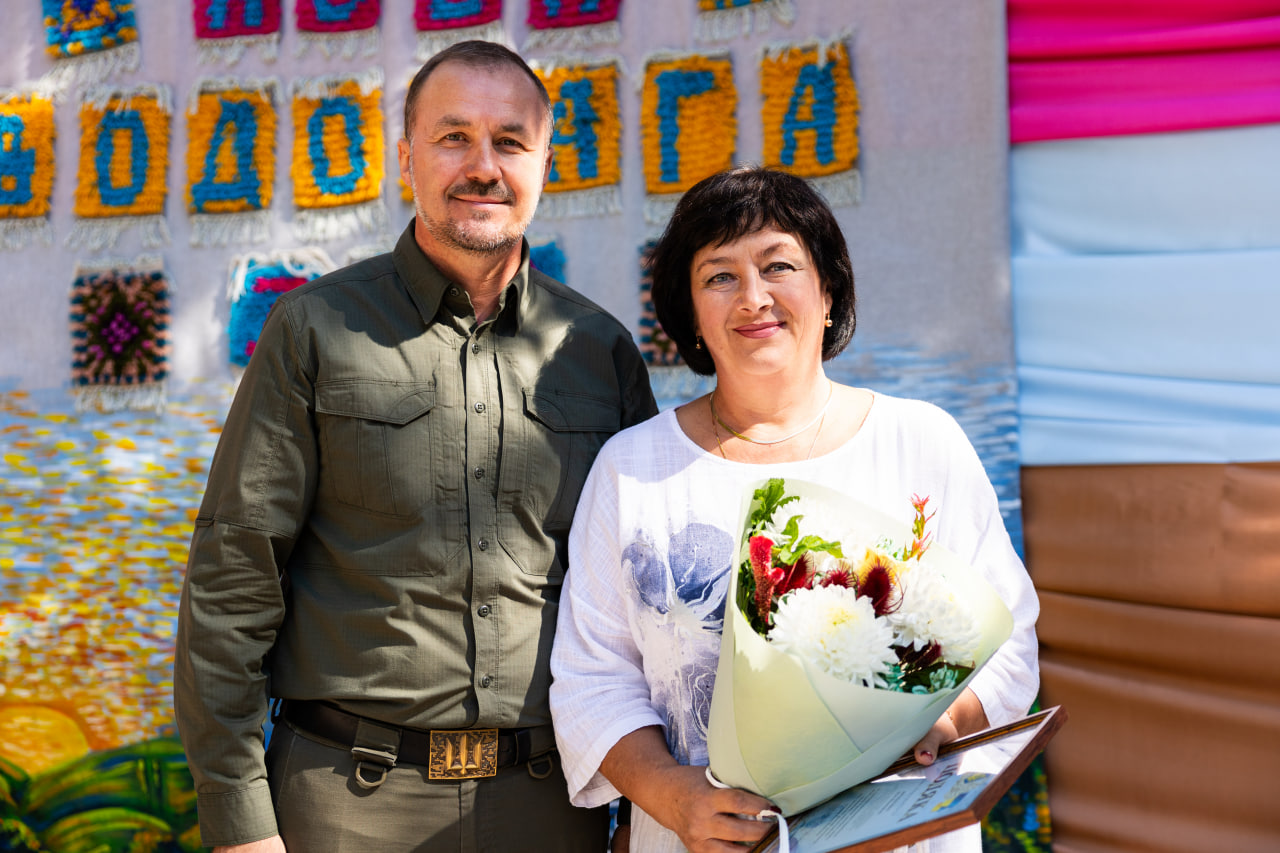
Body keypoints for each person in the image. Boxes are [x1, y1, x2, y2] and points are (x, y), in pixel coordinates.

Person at [174, 41, 656, 852]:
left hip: (549, 806)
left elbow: (644, 600)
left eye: (509, 141)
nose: (483, 166)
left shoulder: (598, 351)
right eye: (453, 137)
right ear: (405, 159)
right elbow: (235, 574)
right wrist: (239, 820)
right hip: (347, 802)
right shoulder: (314, 329)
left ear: (545, 164)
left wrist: (649, 805)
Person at [550, 166, 1040, 853]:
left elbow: (1005, 638)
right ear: (691, 314)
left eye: (778, 266)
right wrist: (675, 797)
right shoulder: (633, 469)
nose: (754, 297)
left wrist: (942, 719)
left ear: (828, 289)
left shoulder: (920, 444)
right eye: (719, 276)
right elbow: (592, 678)